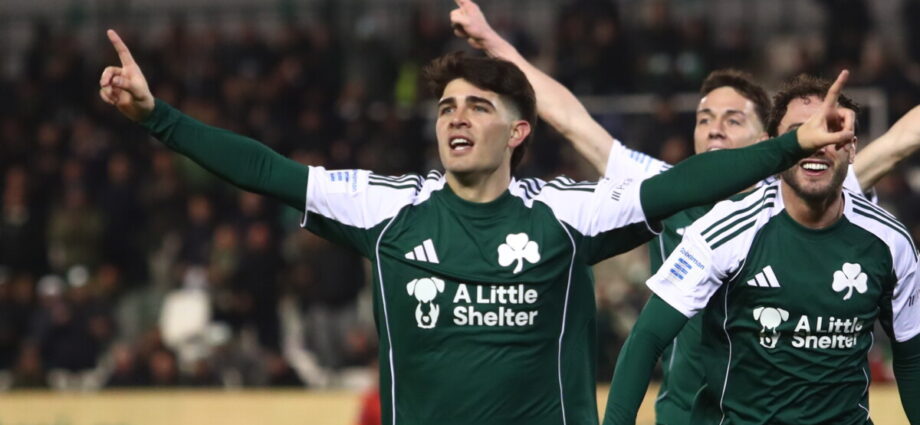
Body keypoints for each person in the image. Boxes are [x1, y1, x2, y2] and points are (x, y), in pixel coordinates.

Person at [99, 29, 853, 425]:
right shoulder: (389, 208)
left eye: (478, 107)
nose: (456, 118)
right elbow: (268, 170)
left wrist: (788, 146)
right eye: (446, 107)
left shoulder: (568, 214)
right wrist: (158, 118)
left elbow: (681, 184)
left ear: (518, 131)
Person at [449, 2, 920, 423]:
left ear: (769, 141)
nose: (714, 129)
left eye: (733, 119)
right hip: (683, 413)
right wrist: (494, 44)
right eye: (704, 119)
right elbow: (572, 120)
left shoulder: (814, 180)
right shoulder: (663, 188)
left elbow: (900, 141)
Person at [603, 76, 920, 424]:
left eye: (831, 131)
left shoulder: (891, 241)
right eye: (801, 133)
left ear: (852, 148)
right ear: (776, 147)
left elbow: (912, 357)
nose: (818, 144)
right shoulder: (726, 229)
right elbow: (646, 338)